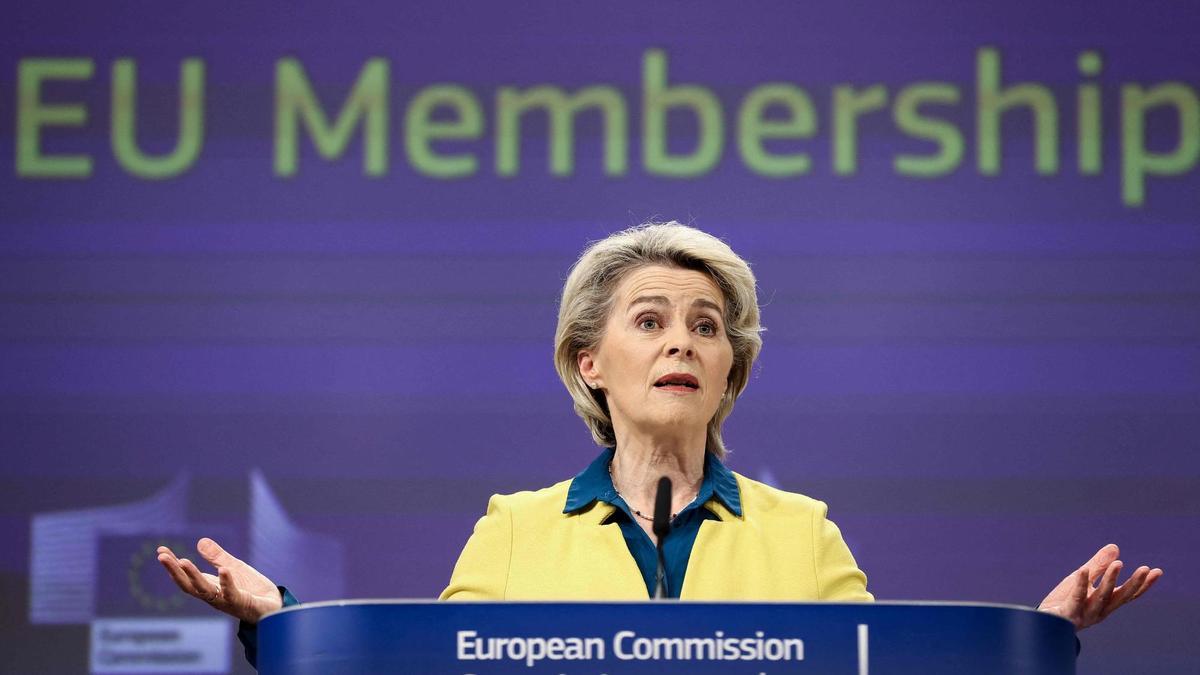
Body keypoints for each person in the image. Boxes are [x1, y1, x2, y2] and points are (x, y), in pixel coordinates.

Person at [157, 222, 1163, 665]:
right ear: (589, 362)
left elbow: (883, 674)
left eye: (707, 324)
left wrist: (1029, 642)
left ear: (733, 369)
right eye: (649, 318)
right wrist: (277, 622)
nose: (682, 337)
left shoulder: (804, 533)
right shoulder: (513, 530)